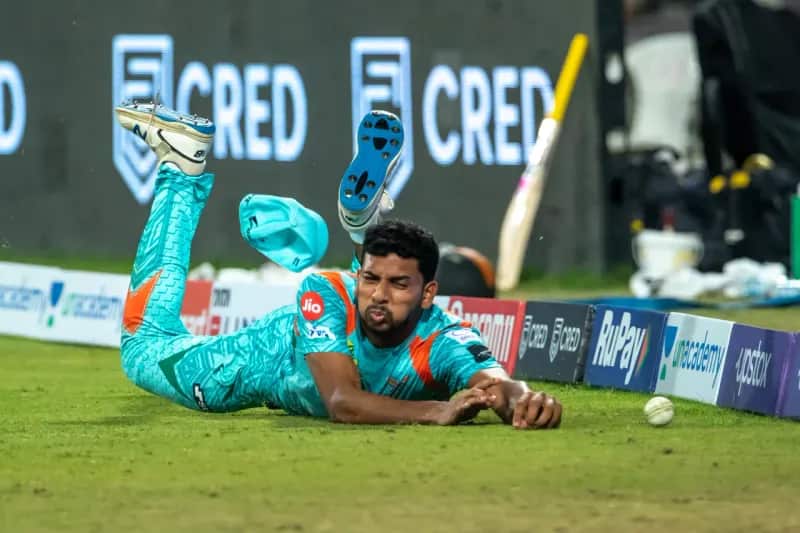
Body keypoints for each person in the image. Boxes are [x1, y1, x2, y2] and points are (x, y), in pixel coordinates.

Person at [116, 102, 562, 429]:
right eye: (370, 278)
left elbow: (495, 384)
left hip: (326, 353)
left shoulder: (445, 341)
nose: (380, 294)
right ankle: (182, 170)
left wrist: (525, 400)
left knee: (370, 300)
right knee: (142, 344)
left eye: (399, 284)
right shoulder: (324, 292)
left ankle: (363, 227)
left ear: (429, 294)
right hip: (260, 363)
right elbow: (342, 401)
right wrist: (437, 410)